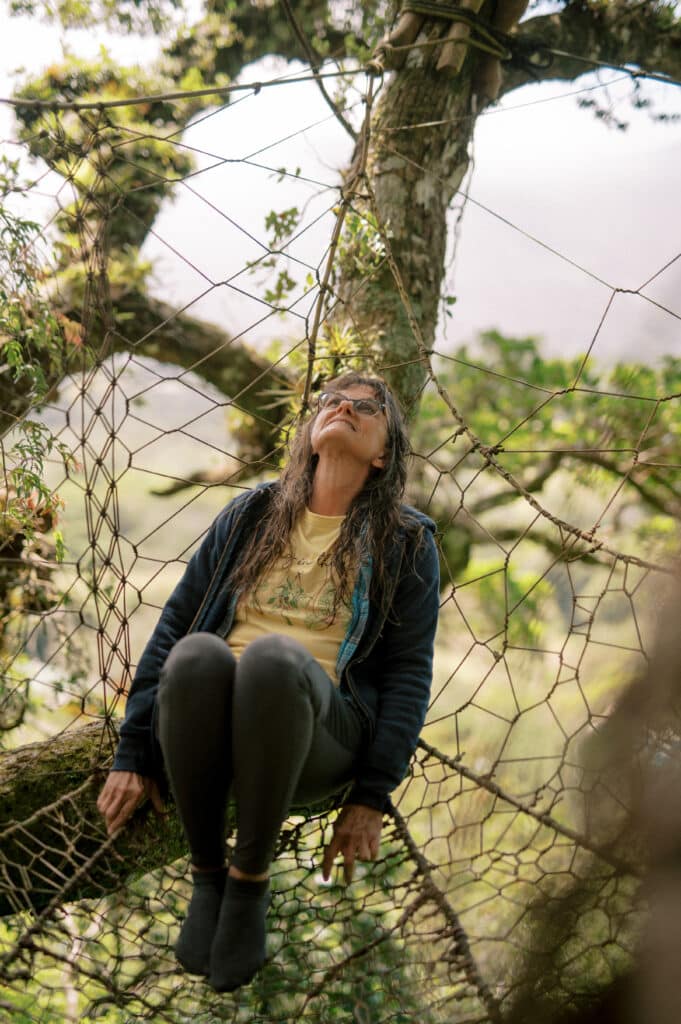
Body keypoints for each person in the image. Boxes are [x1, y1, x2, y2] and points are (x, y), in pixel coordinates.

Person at [97, 372, 440, 992]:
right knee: (199, 653)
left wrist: (372, 793)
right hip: (209, 727)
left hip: (315, 733)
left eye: (366, 407)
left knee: (273, 661)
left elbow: (410, 671)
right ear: (311, 432)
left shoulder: (406, 541)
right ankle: (209, 876)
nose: (344, 408)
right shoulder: (252, 513)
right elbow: (175, 623)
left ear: (385, 452)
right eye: (333, 401)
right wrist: (133, 750)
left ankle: (250, 878)